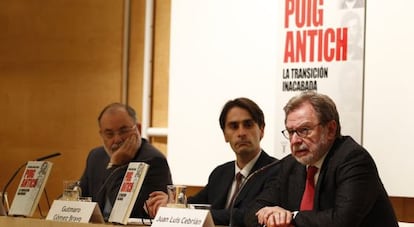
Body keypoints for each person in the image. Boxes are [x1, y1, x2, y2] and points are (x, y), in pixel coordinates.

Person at [245, 91, 398, 227]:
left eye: (304, 130)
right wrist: (267, 214)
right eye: (291, 132)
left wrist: (291, 216)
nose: (294, 141)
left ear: (330, 129)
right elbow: (251, 212)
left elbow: (342, 221)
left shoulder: (353, 159)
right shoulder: (290, 165)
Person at [146, 97, 278, 226]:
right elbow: (195, 203)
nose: (241, 132)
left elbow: (248, 214)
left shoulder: (276, 170)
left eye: (248, 125)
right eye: (234, 126)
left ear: (261, 130)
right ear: (225, 135)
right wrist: (171, 204)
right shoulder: (220, 173)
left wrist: (187, 210)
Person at [79, 102, 172, 220]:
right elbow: (79, 198)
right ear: (101, 135)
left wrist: (115, 165)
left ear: (138, 128)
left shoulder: (153, 160)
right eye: (109, 134)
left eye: (123, 131)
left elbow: (129, 213)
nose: (117, 139)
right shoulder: (96, 157)